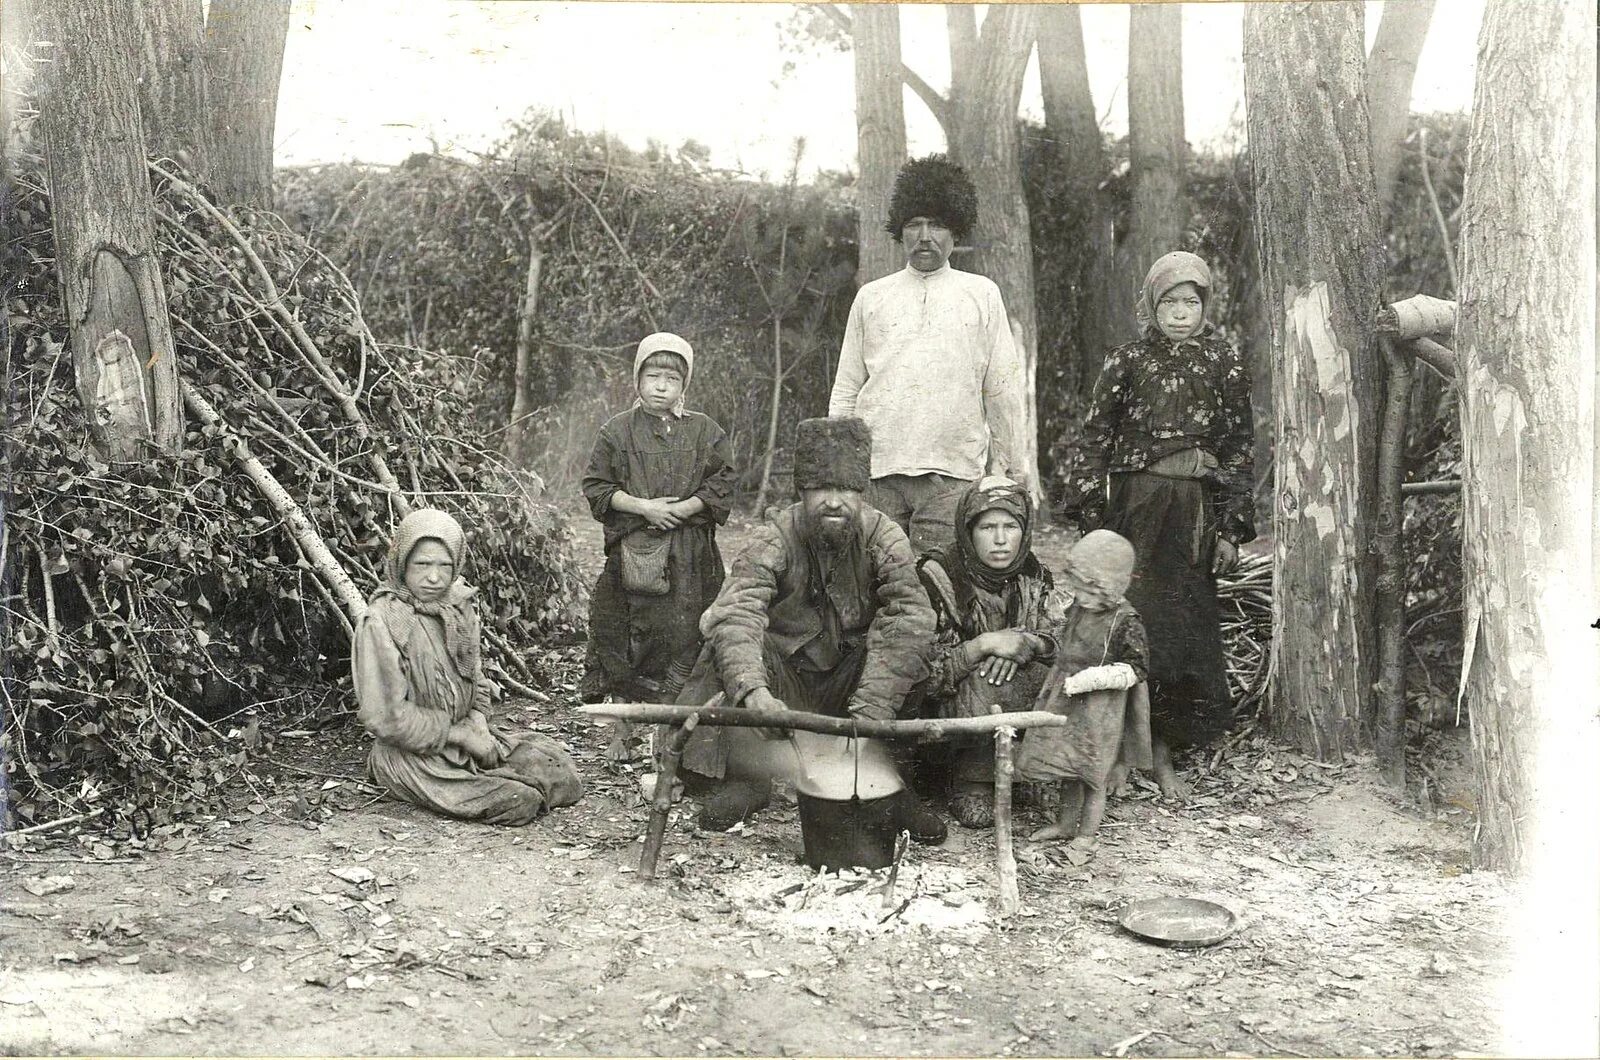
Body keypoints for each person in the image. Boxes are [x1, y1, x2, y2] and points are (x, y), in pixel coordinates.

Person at [672, 416, 943, 843]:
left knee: (913, 650)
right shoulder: (775, 535)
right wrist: (755, 694)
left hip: (853, 689)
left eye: (846, 490)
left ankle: (890, 783)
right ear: (802, 491)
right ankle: (748, 779)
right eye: (822, 489)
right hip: (786, 688)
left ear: (862, 493)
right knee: (732, 641)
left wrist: (870, 715)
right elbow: (739, 611)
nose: (834, 502)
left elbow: (910, 618)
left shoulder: (884, 537)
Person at [1065, 251, 1254, 797]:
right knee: (1128, 621)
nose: (1180, 313)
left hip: (1192, 513)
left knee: (1183, 630)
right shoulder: (1125, 360)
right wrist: (1091, 517)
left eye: (1190, 302)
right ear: (1152, 305)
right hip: (1135, 507)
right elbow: (1096, 435)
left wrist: (1228, 528)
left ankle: (1165, 750)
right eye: (1169, 302)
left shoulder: (1224, 363)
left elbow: (1239, 447)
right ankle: (1120, 750)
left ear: (1205, 307)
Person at [828, 154, 1028, 555]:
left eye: (936, 224)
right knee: (877, 583)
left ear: (955, 232)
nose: (925, 236)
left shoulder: (981, 294)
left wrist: (1012, 465)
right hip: (878, 472)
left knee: (938, 583)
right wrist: (838, 466)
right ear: (899, 233)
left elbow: (1002, 388)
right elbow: (847, 387)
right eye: (913, 225)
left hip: (952, 475)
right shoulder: (872, 296)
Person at [354, 508, 584, 825]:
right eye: (422, 564)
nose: (434, 577)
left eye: (444, 566)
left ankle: (483, 770)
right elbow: (384, 717)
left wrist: (476, 719)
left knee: (565, 778)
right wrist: (460, 735)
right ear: (402, 562)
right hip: (411, 754)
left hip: (467, 737)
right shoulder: (381, 620)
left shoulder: (456, 606)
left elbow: (474, 674)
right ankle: (417, 783)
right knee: (521, 801)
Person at [579, 332, 735, 759]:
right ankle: (624, 728)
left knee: (686, 635)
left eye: (671, 377)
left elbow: (723, 483)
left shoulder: (706, 431)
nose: (660, 385)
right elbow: (596, 486)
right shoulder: (617, 431)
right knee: (624, 636)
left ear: (684, 384)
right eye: (652, 375)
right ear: (637, 378)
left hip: (689, 556)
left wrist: (683, 509)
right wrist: (644, 508)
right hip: (634, 554)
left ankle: (668, 728)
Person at [912, 476, 1068, 828]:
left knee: (1053, 676)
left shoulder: (1032, 573)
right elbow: (923, 675)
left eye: (1010, 526)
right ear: (968, 530)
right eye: (987, 527)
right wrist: (983, 646)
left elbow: (1061, 637)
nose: (1000, 540)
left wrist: (1029, 645)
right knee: (988, 678)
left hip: (1007, 697)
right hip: (945, 719)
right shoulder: (937, 577)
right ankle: (970, 779)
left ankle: (1023, 770)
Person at [1015, 530, 1152, 855]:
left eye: (1090, 590)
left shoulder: (1126, 621)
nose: (1081, 596)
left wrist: (1092, 678)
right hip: (1067, 698)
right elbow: (1067, 635)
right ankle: (1065, 824)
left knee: (1093, 773)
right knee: (1069, 766)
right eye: (1078, 587)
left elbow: (1135, 669)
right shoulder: (1081, 607)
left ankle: (1087, 833)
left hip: (1100, 707)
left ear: (1111, 586)